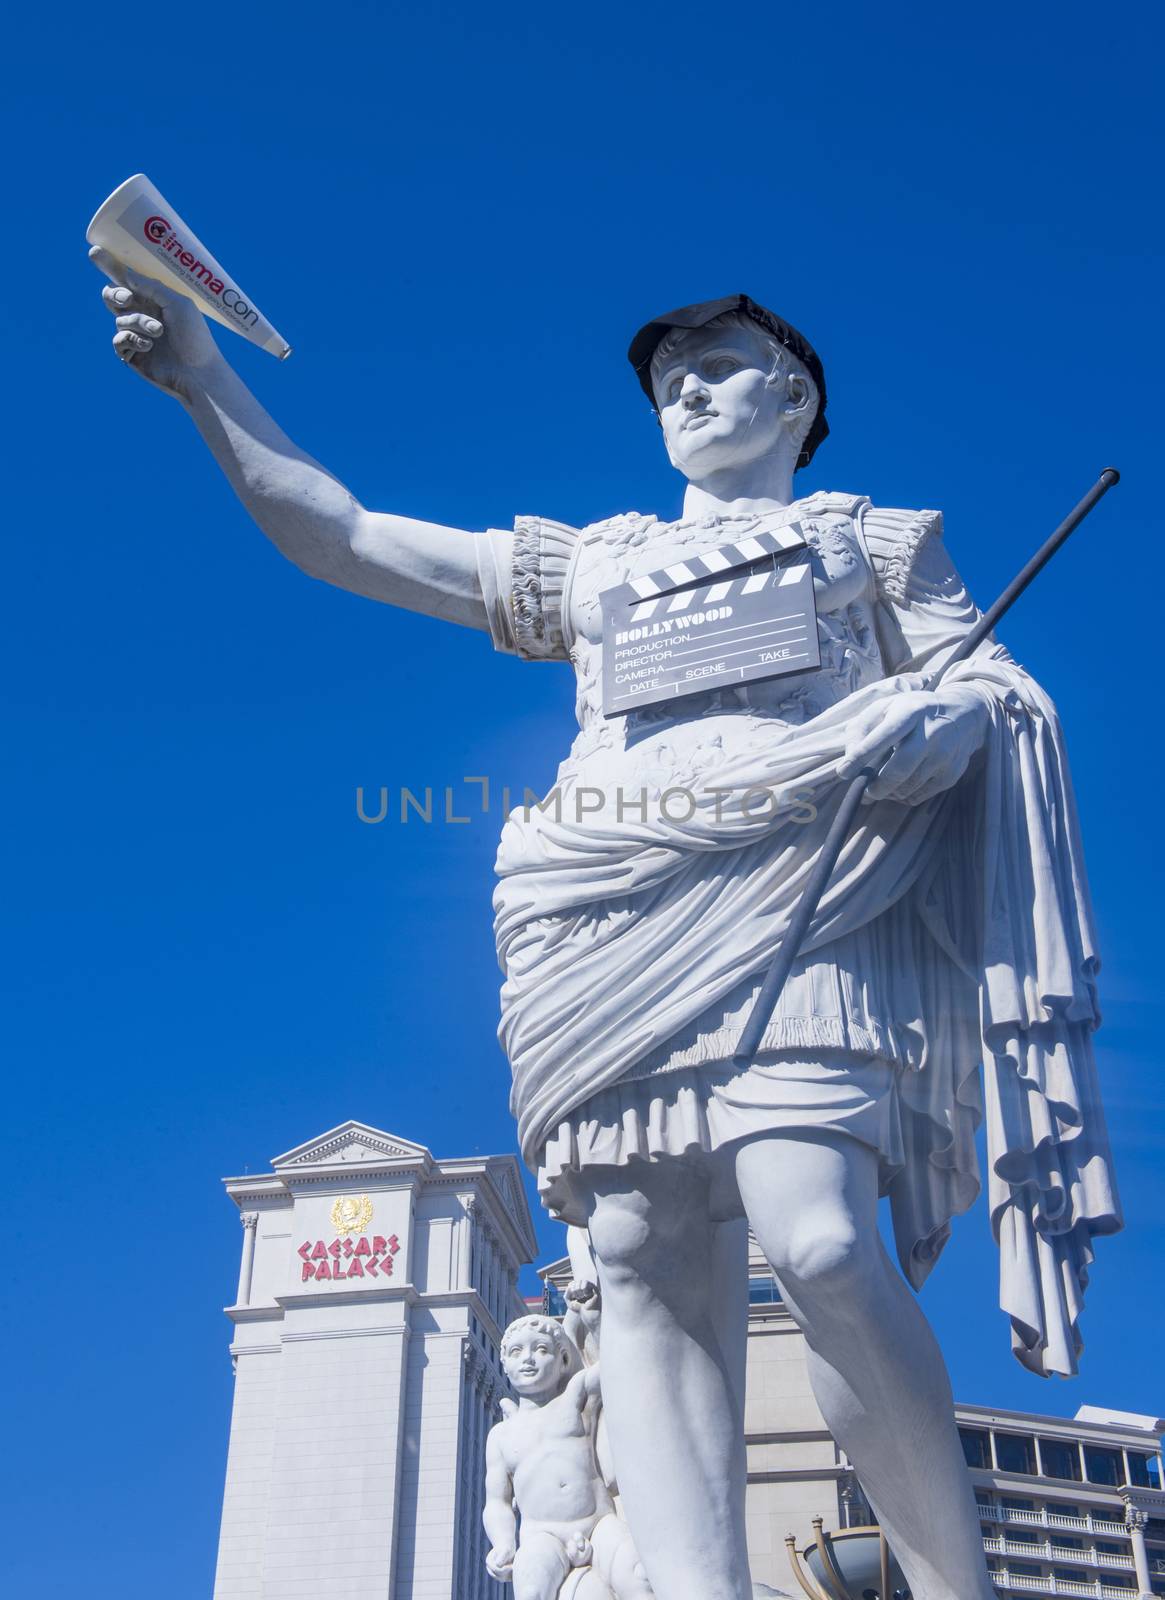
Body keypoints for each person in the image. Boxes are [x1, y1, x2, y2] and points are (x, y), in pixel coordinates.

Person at [92, 261, 1120, 1600]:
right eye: (665, 375)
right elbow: (344, 533)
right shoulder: (591, 562)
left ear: (793, 393)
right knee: (631, 1263)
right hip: (602, 919)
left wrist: (957, 716)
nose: (684, 386)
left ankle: (951, 1586)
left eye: (717, 361)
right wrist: (201, 380)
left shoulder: (873, 541)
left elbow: (980, 677)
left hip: (802, 895)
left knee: (814, 1236)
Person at [485, 1312, 652, 1600]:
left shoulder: (576, 1398)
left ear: (562, 1360)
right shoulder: (501, 1435)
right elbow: (497, 1502)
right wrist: (502, 1544)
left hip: (598, 1524)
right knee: (531, 1590)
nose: (528, 1359)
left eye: (540, 1349)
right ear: (505, 1366)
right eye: (516, 1351)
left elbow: (614, 1364)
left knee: (640, 1577)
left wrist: (591, 1318)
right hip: (541, 1536)